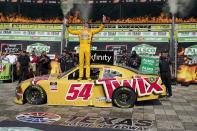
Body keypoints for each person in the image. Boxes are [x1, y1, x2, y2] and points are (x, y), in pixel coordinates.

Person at [65, 15, 106, 80]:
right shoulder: (80, 31)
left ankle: (88, 76)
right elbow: (71, 31)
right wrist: (67, 25)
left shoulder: (91, 31)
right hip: (81, 47)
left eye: (86, 24)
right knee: (81, 63)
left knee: (87, 63)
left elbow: (99, 29)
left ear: (88, 25)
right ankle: (80, 76)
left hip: (88, 47)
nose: (85, 24)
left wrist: (103, 22)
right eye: (84, 24)